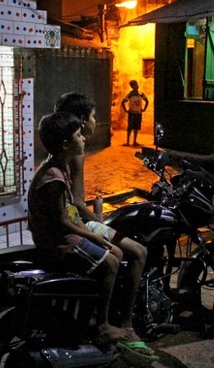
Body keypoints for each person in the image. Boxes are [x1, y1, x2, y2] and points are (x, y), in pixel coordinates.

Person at [28, 112, 156, 360]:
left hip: (64, 233)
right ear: (66, 144)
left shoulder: (58, 165)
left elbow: (70, 211)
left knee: (117, 252)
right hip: (58, 240)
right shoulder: (53, 177)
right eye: (78, 135)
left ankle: (100, 313)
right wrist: (94, 236)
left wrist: (95, 217)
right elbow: (62, 222)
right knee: (111, 262)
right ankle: (103, 327)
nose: (84, 139)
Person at [54, 92, 148, 337]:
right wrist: (97, 219)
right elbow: (77, 201)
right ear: (84, 120)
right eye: (94, 116)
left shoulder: (60, 145)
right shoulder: (77, 150)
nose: (96, 121)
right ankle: (125, 322)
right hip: (78, 222)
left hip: (71, 218)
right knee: (139, 252)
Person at [120, 80, 148, 146]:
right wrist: (126, 110)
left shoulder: (141, 93)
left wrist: (144, 109)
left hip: (138, 112)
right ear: (132, 86)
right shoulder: (130, 94)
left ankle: (134, 141)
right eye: (135, 85)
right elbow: (123, 101)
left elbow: (147, 101)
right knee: (130, 127)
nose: (137, 86)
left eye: (137, 84)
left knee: (136, 127)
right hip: (132, 113)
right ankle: (128, 142)